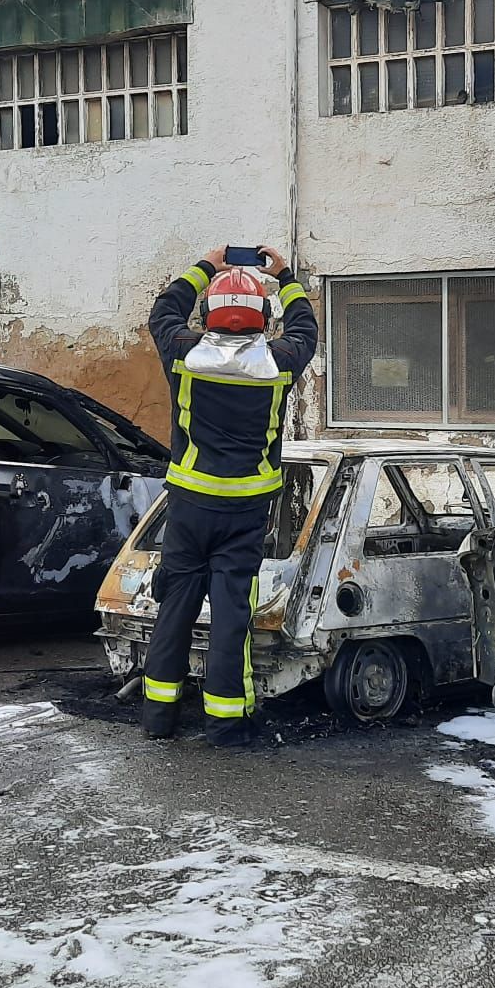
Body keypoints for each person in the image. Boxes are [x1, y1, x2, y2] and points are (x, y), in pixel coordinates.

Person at [140, 245, 319, 746]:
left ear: (209, 313)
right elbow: (306, 327)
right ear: (262, 317)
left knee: (175, 607)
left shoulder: (183, 352)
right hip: (245, 510)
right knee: (231, 614)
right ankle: (225, 721)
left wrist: (206, 266)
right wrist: (282, 274)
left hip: (189, 506)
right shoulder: (280, 360)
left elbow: (163, 311)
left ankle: (158, 716)